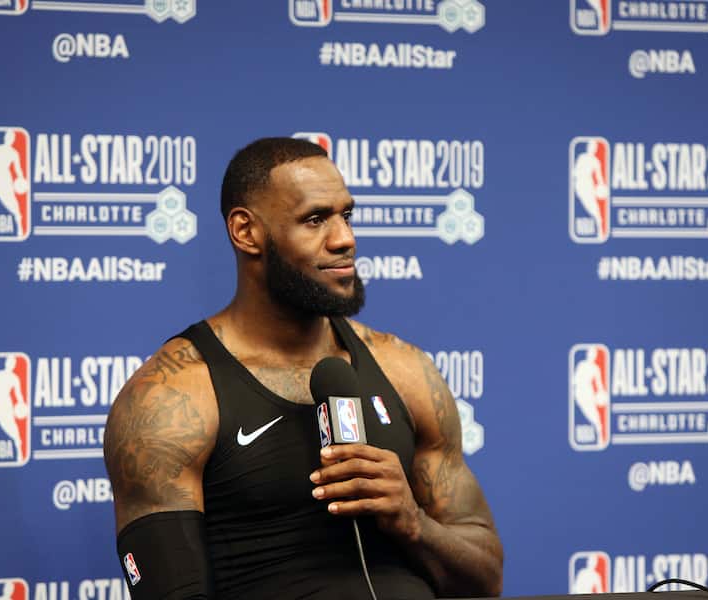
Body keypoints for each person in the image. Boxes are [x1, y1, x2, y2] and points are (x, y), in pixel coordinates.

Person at [103, 137, 503, 599]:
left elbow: (486, 579)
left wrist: (415, 523)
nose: (344, 239)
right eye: (315, 220)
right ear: (246, 232)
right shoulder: (171, 396)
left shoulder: (405, 370)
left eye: (346, 216)